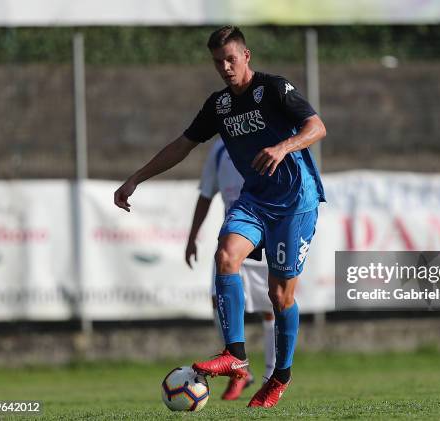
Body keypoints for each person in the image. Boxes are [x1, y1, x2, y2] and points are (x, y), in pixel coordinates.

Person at [114, 25, 326, 408]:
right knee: (225, 256)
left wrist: (283, 146)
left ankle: (280, 375)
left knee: (280, 296)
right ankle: (235, 354)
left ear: (246, 55)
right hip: (255, 199)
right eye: (218, 62)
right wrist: (134, 179)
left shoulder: (274, 89)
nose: (225, 67)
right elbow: (181, 146)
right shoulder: (219, 106)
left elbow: (317, 127)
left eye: (231, 58)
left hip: (296, 202)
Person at [185, 137, 276, 400]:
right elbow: (206, 193)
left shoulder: (270, 139)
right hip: (231, 240)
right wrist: (192, 237)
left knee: (270, 309)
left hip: (265, 237)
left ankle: (270, 377)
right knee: (218, 301)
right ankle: (240, 370)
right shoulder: (219, 149)